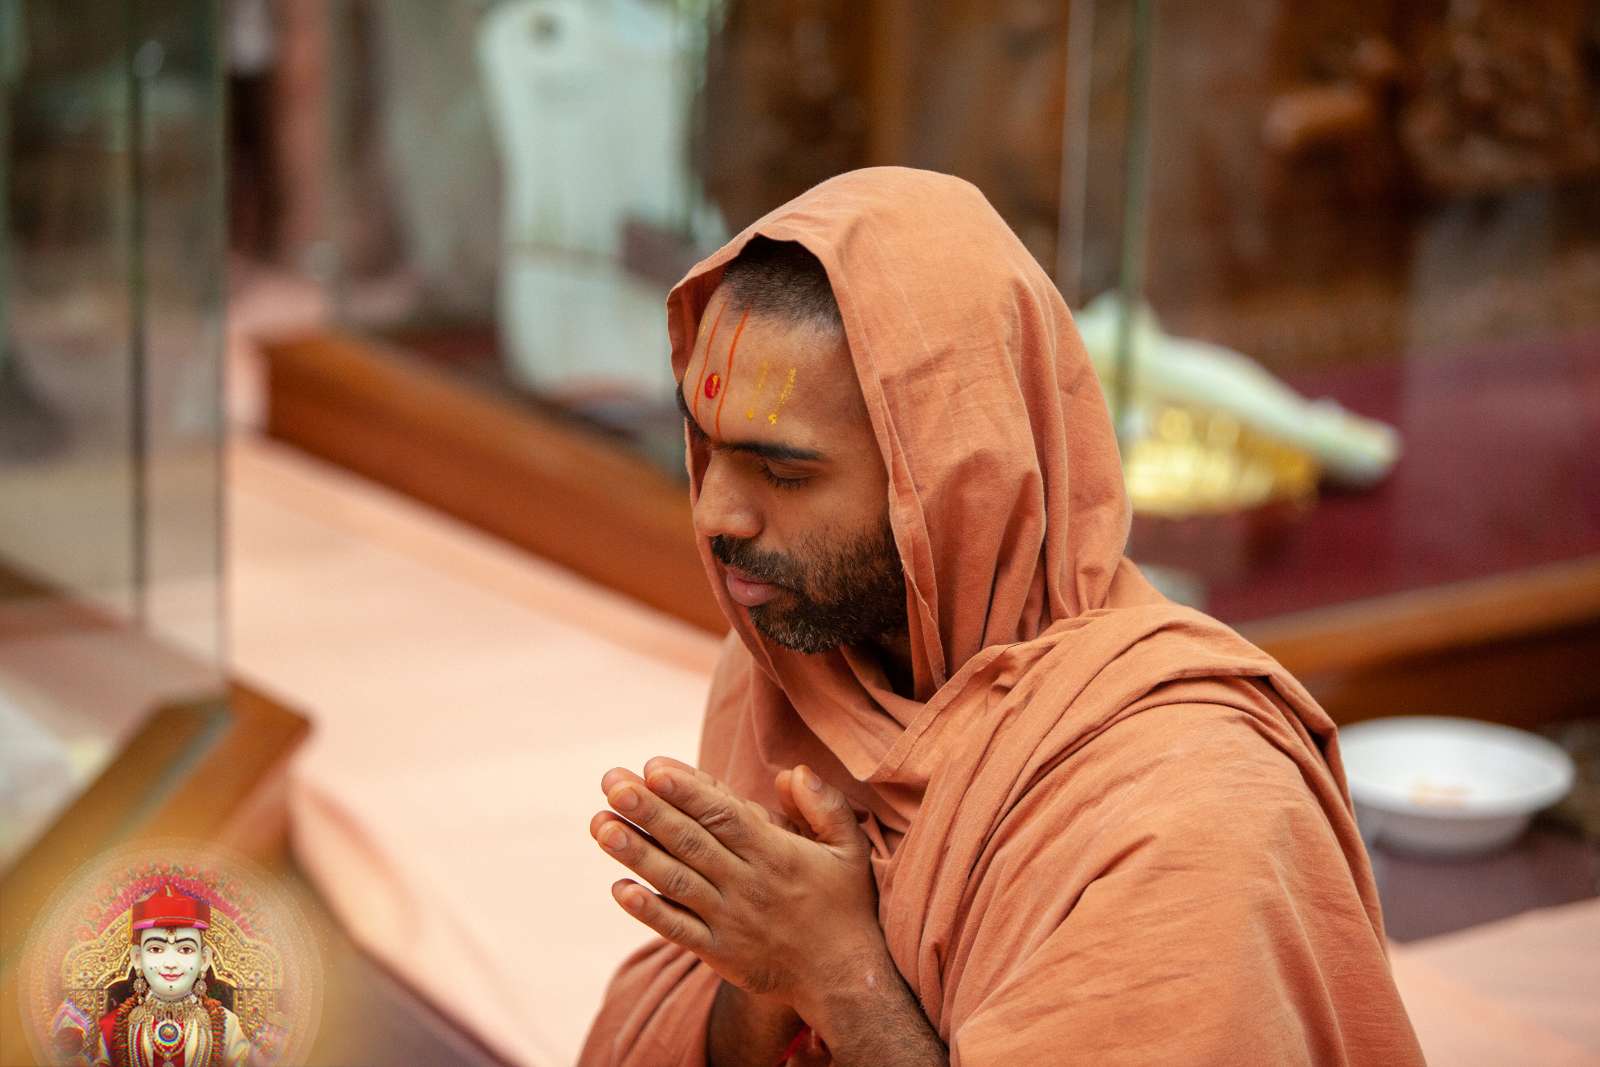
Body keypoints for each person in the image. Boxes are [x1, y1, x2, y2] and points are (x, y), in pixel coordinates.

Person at [579, 167, 1423, 1066]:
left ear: (954, 482)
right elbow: (733, 1000)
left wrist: (838, 972)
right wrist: (761, 975)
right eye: (706, 449)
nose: (714, 515)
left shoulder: (1187, 804)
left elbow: (818, 966)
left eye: (783, 473)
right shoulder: (786, 665)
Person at [74, 885, 269, 1067]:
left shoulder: (227, 1025)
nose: (170, 963)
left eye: (185, 949)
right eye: (156, 949)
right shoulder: (112, 1028)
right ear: (137, 958)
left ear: (204, 960)